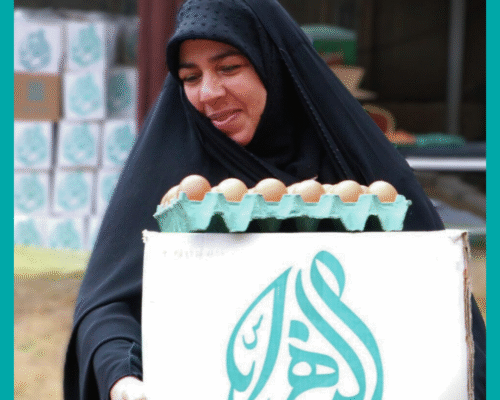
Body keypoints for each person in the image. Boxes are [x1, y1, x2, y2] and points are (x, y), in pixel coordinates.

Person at [63, 0, 486, 399]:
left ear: (273, 64)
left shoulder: (354, 168)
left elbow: (440, 309)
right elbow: (108, 305)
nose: (208, 92)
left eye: (229, 68)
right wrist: (123, 379)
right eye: (190, 77)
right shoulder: (173, 172)